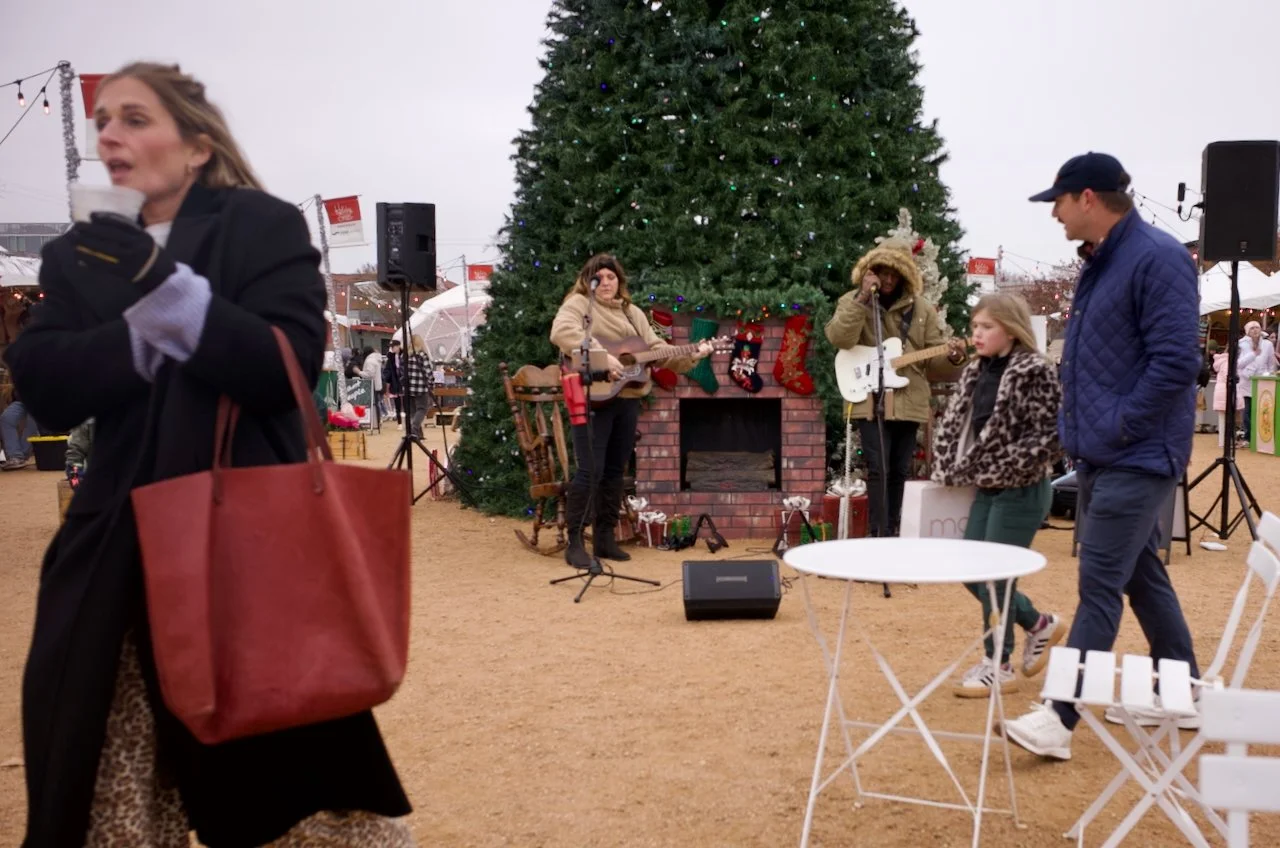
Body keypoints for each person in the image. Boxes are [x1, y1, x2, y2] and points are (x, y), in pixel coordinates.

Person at [3, 62, 412, 846]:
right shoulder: (78, 255)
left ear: (194, 146)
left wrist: (163, 288)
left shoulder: (258, 226)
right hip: (113, 555)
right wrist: (148, 336)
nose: (110, 135)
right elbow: (46, 385)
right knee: (105, 808)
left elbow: (280, 366)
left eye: (134, 117)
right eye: (102, 121)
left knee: (302, 806)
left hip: (248, 545)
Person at [1003, 152, 1202, 761]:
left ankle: (1059, 720)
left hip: (1133, 455)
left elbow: (1176, 363)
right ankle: (1182, 690)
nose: (1054, 214)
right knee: (1141, 576)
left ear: (1087, 198)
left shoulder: (1157, 258)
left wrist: (1117, 426)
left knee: (1098, 588)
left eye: (1058, 202)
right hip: (1106, 454)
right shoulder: (1104, 262)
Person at [931, 293, 1067, 697]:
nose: (976, 334)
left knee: (994, 577)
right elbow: (962, 429)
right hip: (985, 486)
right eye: (974, 327)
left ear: (1009, 328)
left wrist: (1009, 463)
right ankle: (1039, 625)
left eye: (985, 327)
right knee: (974, 572)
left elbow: (1052, 435)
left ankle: (999, 664)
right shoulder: (977, 371)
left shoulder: (1035, 369)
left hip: (1021, 488)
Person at [550, 253, 713, 568]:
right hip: (590, 396)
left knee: (614, 470)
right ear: (589, 280)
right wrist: (602, 356)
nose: (607, 283)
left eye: (612, 277)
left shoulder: (633, 312)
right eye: (600, 277)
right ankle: (574, 542)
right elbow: (561, 333)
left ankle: (605, 537)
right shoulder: (578, 305)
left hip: (626, 398)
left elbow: (656, 351)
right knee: (589, 470)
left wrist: (694, 354)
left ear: (619, 282)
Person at [825, 238, 966, 538]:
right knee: (877, 469)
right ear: (870, 271)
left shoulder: (922, 310)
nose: (888, 279)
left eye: (894, 273)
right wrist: (862, 298)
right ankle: (878, 534)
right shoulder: (853, 301)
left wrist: (953, 357)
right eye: (882, 271)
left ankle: (893, 532)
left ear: (904, 275)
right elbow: (839, 338)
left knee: (900, 471)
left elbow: (935, 364)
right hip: (869, 396)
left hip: (909, 398)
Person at [1237, 320, 1276, 443]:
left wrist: (1270, 375)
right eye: (1252, 328)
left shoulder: (1267, 344)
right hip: (1246, 381)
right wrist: (1253, 354)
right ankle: (1249, 436)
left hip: (1263, 381)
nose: (1255, 330)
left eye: (1257, 327)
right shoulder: (1241, 344)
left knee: (1261, 410)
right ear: (1247, 331)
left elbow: (1271, 363)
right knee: (1247, 411)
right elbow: (1239, 364)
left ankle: (1260, 437)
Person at [0, 390, 40, 470]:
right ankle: (15, 456)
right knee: (7, 418)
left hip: (41, 401)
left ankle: (19, 456)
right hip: (22, 400)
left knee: (33, 419)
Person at [405, 334, 432, 438]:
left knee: (413, 411)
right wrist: (431, 383)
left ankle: (418, 434)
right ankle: (414, 429)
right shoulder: (422, 355)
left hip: (409, 387)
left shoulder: (406, 356)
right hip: (421, 387)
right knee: (422, 409)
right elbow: (428, 371)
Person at [384, 338, 405, 427]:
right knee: (397, 403)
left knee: (406, 402)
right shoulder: (390, 358)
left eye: (394, 347)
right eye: (391, 347)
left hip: (403, 381)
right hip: (395, 382)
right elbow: (387, 371)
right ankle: (399, 422)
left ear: (398, 346)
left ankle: (409, 422)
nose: (392, 349)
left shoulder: (404, 355)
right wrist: (387, 381)